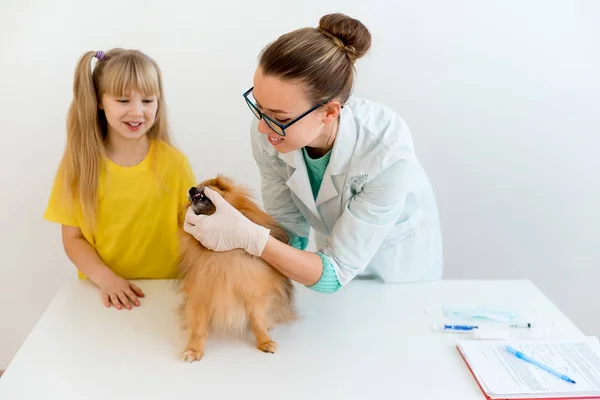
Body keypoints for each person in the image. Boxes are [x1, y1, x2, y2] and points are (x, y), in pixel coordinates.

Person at [184, 13, 443, 293]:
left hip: (398, 269)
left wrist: (252, 239)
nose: (262, 126)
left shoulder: (385, 150)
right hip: (328, 261)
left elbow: (332, 275)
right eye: (259, 107)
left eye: (279, 117)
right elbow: (290, 231)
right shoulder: (269, 132)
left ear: (330, 111)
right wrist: (239, 240)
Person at [44, 49, 196, 309]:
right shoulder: (79, 166)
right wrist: (106, 279)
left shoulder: (175, 164)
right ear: (100, 101)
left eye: (148, 100)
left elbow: (193, 231)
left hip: (167, 293)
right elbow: (73, 238)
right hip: (102, 297)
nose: (137, 112)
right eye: (124, 101)